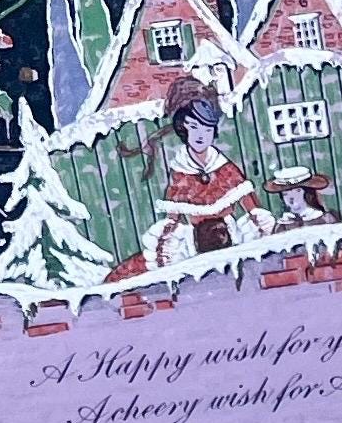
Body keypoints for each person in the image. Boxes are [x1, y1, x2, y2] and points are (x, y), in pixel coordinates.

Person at [107, 78, 274, 279]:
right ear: (183, 128)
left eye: (206, 129)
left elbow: (252, 209)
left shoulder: (225, 169)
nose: (200, 135)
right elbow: (172, 221)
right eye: (194, 127)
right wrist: (164, 250)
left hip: (231, 238)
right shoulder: (181, 175)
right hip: (194, 245)